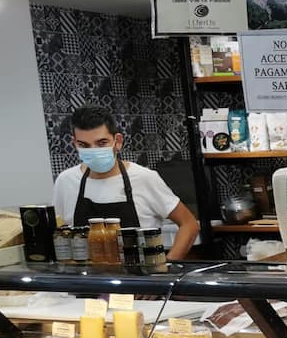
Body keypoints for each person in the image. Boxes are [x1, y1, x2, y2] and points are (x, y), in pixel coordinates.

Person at [52, 106, 200, 260]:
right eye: (84, 145)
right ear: (74, 143)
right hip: (88, 280)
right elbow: (59, 231)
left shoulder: (145, 178)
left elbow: (189, 225)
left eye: (102, 143)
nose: (93, 150)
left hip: (141, 279)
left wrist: (168, 266)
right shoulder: (66, 181)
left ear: (118, 141)